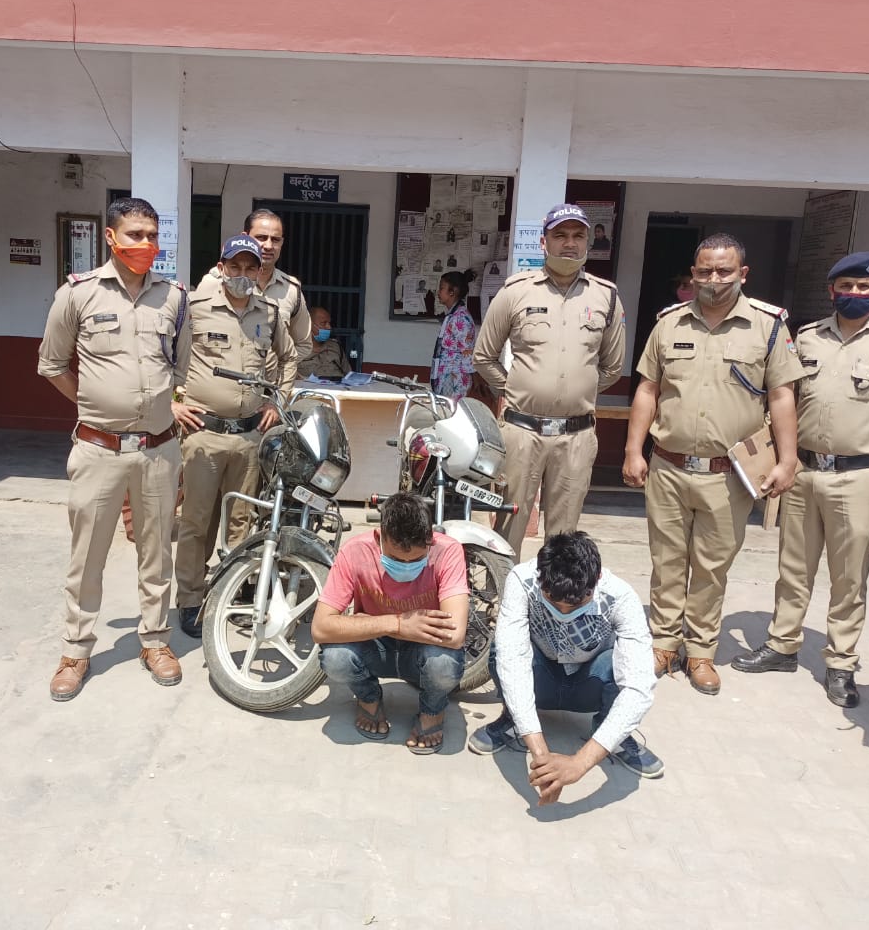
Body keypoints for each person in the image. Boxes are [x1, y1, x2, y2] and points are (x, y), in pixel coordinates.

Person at [733, 252, 869, 707]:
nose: (855, 294)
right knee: (793, 568)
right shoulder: (807, 337)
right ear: (832, 291)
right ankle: (783, 645)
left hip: (859, 477)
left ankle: (841, 662)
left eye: (864, 287)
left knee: (848, 577)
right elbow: (783, 398)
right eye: (846, 287)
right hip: (803, 472)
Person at [622, 233, 805, 695]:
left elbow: (782, 396)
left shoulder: (767, 327)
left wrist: (788, 458)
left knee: (711, 567)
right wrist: (632, 450)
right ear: (693, 274)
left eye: (724, 271)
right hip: (668, 466)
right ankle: (664, 643)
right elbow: (648, 389)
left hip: (728, 476)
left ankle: (701, 651)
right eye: (704, 271)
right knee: (666, 561)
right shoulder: (669, 324)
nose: (713, 279)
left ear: (743, 273)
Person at [37, 196, 188, 698]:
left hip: (159, 450)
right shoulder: (77, 294)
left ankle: (156, 641)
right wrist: (92, 402)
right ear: (110, 237)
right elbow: (52, 364)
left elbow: (181, 368)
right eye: (134, 235)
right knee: (87, 555)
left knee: (156, 554)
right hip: (98, 448)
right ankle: (75, 650)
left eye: (152, 235)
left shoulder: (173, 298)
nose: (145, 244)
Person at [473, 203, 626, 555]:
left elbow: (612, 367)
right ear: (544, 242)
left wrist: (576, 390)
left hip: (576, 436)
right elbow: (483, 356)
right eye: (560, 235)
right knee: (508, 526)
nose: (569, 243)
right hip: (521, 431)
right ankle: (503, 587)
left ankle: (554, 591)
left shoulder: (606, 296)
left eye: (578, 235)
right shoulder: (516, 291)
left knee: (564, 537)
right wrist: (517, 389)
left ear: (588, 241)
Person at [470, 532, 662, 794]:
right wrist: (541, 756)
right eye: (552, 600)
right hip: (541, 677)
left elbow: (639, 687)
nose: (563, 612)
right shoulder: (522, 580)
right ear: (540, 578)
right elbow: (512, 661)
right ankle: (514, 719)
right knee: (500, 650)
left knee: (620, 662)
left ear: (597, 580)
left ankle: (611, 733)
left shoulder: (621, 597)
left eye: (575, 604)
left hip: (590, 683)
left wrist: (579, 763)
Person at [173, 235, 297, 640]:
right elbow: (162, 356)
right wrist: (173, 403)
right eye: (235, 267)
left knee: (243, 521)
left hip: (248, 438)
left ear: (259, 272)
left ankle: (231, 593)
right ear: (222, 267)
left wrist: (277, 401)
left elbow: (289, 357)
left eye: (250, 267)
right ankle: (190, 599)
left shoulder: (270, 313)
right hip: (203, 435)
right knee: (197, 522)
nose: (242, 274)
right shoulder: (194, 308)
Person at [311, 492, 469, 754]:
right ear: (379, 537)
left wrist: (363, 623)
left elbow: (454, 635)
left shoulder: (447, 551)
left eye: (416, 560)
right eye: (395, 559)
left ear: (430, 540)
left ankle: (433, 711)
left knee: (444, 664)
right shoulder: (355, 551)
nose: (406, 567)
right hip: (377, 646)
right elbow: (320, 628)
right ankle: (369, 699)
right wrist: (397, 624)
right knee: (335, 657)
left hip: (423, 651)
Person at [244, 209, 313, 362]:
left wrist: (278, 367)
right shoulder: (221, 282)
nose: (268, 245)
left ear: (282, 242)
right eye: (261, 238)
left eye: (275, 240)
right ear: (245, 238)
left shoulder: (291, 290)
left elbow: (303, 345)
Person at [430, 269, 478, 400]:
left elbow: (467, 351)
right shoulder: (452, 315)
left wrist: (475, 376)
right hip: (446, 375)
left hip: (454, 378)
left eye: (442, 288)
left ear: (452, 292)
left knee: (449, 410)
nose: (438, 292)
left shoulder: (460, 318)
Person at [297, 305, 351, 379]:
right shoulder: (294, 349)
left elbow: (348, 375)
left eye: (329, 323)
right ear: (309, 325)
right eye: (323, 323)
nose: (329, 327)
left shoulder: (335, 347)